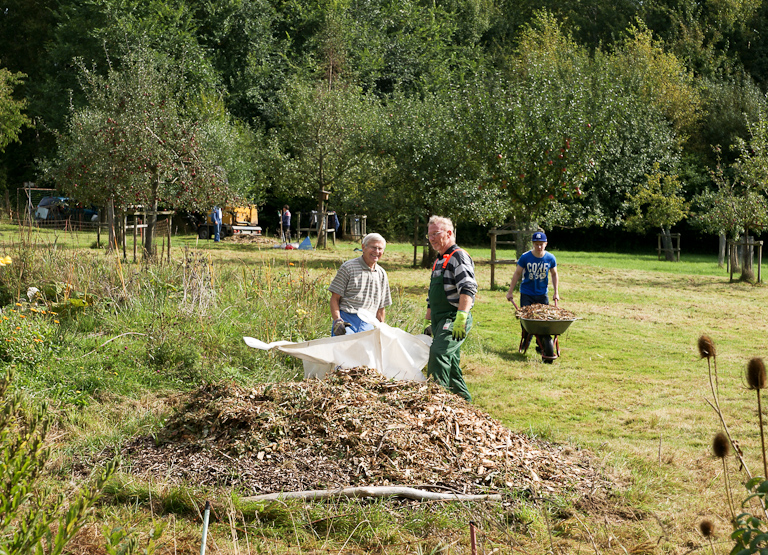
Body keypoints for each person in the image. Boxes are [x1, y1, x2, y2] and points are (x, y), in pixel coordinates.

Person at [424, 215, 477, 402]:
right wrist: (431, 322)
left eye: (435, 234)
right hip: (440, 320)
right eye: (429, 235)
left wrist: (461, 318)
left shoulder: (458, 256)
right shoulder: (439, 260)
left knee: (438, 354)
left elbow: (468, 288)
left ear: (448, 233)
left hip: (454, 317)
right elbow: (433, 293)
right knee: (451, 363)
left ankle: (435, 401)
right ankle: (464, 402)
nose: (431, 238)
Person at [506, 230, 560, 357]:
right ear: (533, 244)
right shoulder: (525, 257)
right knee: (526, 320)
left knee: (545, 321)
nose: (539, 247)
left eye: (541, 244)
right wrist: (510, 292)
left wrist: (556, 292)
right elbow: (517, 273)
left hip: (542, 294)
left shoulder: (550, 258)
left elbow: (554, 274)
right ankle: (526, 338)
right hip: (527, 293)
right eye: (536, 244)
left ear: (546, 244)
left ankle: (541, 343)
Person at [329, 233, 392, 336]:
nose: (376, 252)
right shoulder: (348, 268)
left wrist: (381, 329)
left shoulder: (381, 273)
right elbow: (334, 298)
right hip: (346, 321)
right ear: (363, 247)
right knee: (344, 350)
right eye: (373, 247)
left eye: (380, 249)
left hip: (368, 323)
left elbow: (381, 308)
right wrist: (337, 321)